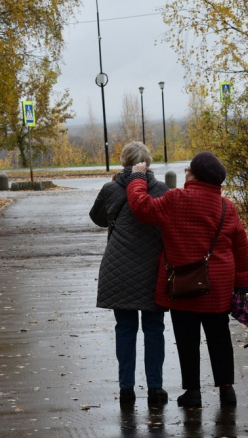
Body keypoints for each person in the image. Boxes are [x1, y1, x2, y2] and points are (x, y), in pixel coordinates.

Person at [127, 151, 248, 408]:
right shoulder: (226, 207)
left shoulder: (175, 199)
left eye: (189, 170)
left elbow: (141, 207)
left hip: (183, 284)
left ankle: (193, 392)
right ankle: (227, 390)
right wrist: (243, 283)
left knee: (187, 339)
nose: (185, 172)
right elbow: (241, 247)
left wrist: (137, 178)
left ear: (197, 176)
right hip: (218, 287)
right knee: (220, 337)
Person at [89, 141, 170, 407]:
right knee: (154, 329)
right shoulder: (161, 190)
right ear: (148, 162)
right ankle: (155, 388)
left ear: (124, 161)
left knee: (125, 329)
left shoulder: (111, 189)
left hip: (118, 270)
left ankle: (126, 390)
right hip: (152, 271)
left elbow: (98, 218)